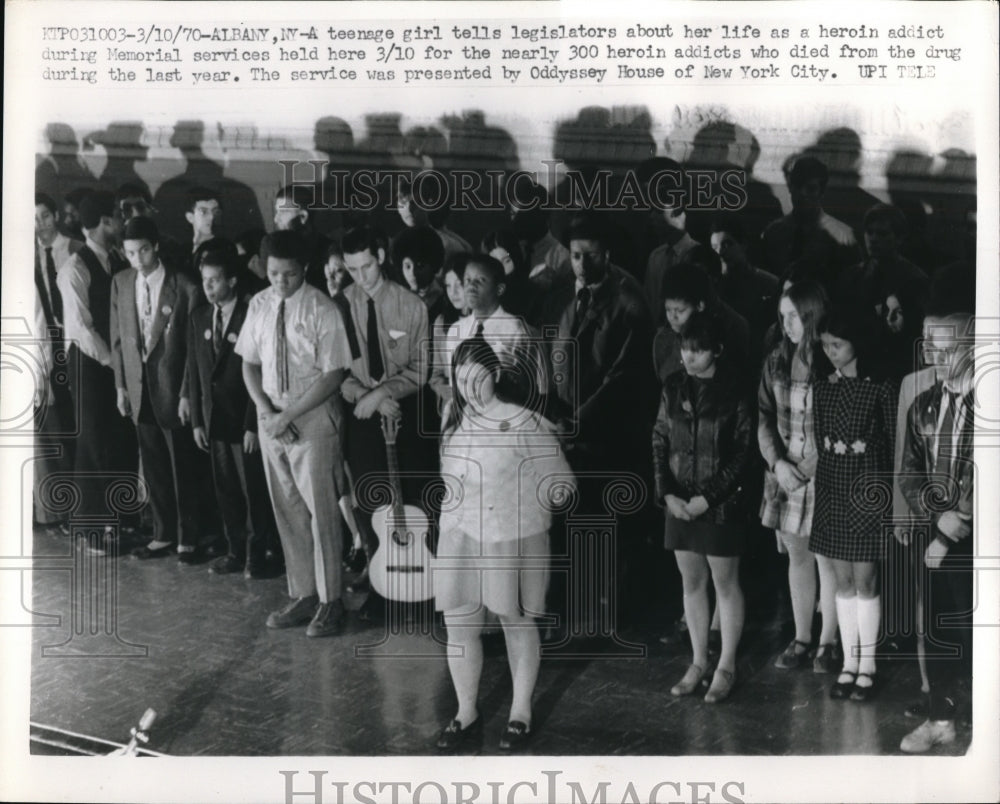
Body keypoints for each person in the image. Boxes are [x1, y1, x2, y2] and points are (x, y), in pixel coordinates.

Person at [434, 336, 574, 752]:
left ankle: (520, 712)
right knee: (458, 626)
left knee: (516, 621)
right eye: (460, 379)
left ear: (494, 374)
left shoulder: (523, 422)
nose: (469, 387)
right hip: (459, 538)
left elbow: (561, 485)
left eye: (477, 376)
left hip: (510, 538)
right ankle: (465, 711)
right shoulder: (453, 420)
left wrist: (521, 506)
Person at [235, 230, 353, 637]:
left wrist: (290, 416)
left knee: (322, 512)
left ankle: (331, 600)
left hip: (313, 419)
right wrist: (268, 413)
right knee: (287, 510)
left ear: (304, 269)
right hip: (273, 421)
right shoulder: (260, 304)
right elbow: (249, 364)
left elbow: (334, 374)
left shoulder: (322, 309)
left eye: (288, 274)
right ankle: (304, 594)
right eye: (272, 273)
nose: (280, 282)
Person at [652, 313, 753, 703]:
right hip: (679, 503)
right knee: (691, 583)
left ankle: (726, 664)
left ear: (718, 350)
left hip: (721, 506)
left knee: (725, 584)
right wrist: (667, 493)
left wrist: (708, 498)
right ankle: (698, 661)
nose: (689, 358)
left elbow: (743, 454)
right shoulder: (672, 387)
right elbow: (659, 439)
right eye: (685, 349)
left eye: (698, 350)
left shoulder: (735, 390)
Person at [898, 263, 975, 752]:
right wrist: (933, 519)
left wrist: (954, 527)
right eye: (930, 348)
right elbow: (909, 472)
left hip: (972, 542)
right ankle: (943, 716)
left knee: (979, 629)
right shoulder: (922, 405)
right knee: (940, 629)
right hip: (934, 540)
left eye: (948, 350)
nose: (937, 358)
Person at [339, 224, 431, 619]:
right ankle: (382, 587)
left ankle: (422, 589)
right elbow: (336, 369)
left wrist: (385, 393)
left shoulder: (411, 305)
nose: (362, 278)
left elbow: (422, 368)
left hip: (406, 413)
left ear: (381, 256)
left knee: (412, 499)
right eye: (353, 270)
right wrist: (367, 397)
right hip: (362, 416)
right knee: (371, 501)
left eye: (368, 267)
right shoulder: (339, 305)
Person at [809, 303, 898, 701]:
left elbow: (896, 445)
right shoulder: (824, 385)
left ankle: (869, 665)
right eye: (826, 344)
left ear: (857, 343)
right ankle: (848, 662)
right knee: (842, 582)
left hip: (867, 492)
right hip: (832, 489)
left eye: (838, 344)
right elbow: (819, 436)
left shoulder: (880, 386)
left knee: (866, 581)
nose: (831, 351)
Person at [758, 281, 840, 672]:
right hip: (786, 476)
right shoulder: (776, 357)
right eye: (782, 316)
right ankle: (803, 635)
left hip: (822, 474)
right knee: (798, 556)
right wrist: (778, 464)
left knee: (828, 558)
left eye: (793, 315)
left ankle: (829, 641)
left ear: (810, 314)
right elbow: (762, 418)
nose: (786, 323)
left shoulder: (831, 357)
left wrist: (806, 468)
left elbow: (841, 423)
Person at [110, 216, 202, 562]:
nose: (139, 259)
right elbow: (118, 342)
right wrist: (121, 387)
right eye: (131, 253)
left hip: (172, 389)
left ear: (156, 246)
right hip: (138, 389)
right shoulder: (120, 282)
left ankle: (187, 537)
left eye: (144, 250)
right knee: (153, 465)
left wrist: (185, 393)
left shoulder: (184, 285)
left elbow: (194, 349)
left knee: (182, 465)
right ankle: (162, 534)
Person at [187, 245, 280, 578]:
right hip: (215, 423)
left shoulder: (250, 314)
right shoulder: (199, 317)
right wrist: (198, 419)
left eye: (215, 280)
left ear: (233, 280)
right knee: (226, 491)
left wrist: (253, 424)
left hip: (244, 423)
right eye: (205, 281)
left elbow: (261, 373)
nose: (208, 287)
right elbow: (195, 372)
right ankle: (235, 550)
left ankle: (258, 553)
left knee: (253, 491)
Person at [57, 189, 136, 553]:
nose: (122, 223)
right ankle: (89, 529)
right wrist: (112, 362)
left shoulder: (118, 259)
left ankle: (116, 522)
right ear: (105, 222)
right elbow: (80, 328)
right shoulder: (74, 267)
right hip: (90, 364)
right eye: (117, 217)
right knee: (93, 441)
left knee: (119, 438)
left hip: (114, 363)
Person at [443, 254, 548, 418]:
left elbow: (542, 390)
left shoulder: (520, 332)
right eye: (468, 280)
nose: (471, 287)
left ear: (499, 289)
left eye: (480, 281)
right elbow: (454, 389)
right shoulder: (456, 331)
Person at [761, 156, 860, 293]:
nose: (802, 194)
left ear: (821, 192)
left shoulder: (842, 237)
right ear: (790, 187)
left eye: (811, 188)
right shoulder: (773, 232)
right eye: (797, 186)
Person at [653, 258, 750, 386]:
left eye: (680, 311)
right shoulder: (663, 340)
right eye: (668, 310)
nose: (672, 318)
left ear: (700, 306)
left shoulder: (731, 329)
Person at [429, 253, 470, 412]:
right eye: (448, 285)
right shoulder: (441, 323)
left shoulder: (487, 321)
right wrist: (443, 389)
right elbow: (435, 375)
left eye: (459, 285)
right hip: (453, 410)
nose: (453, 292)